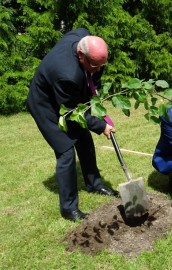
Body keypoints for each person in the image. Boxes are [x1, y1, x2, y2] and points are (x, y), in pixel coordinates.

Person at [27, 28, 118, 221]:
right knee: (66, 151)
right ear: (80, 55)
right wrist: (101, 126)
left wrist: (94, 79)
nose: (99, 69)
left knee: (84, 139)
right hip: (47, 106)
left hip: (66, 98)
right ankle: (68, 209)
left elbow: (88, 87)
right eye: (95, 65)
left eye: (102, 64)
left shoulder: (82, 36)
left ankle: (94, 184)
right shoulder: (67, 75)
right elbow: (71, 113)